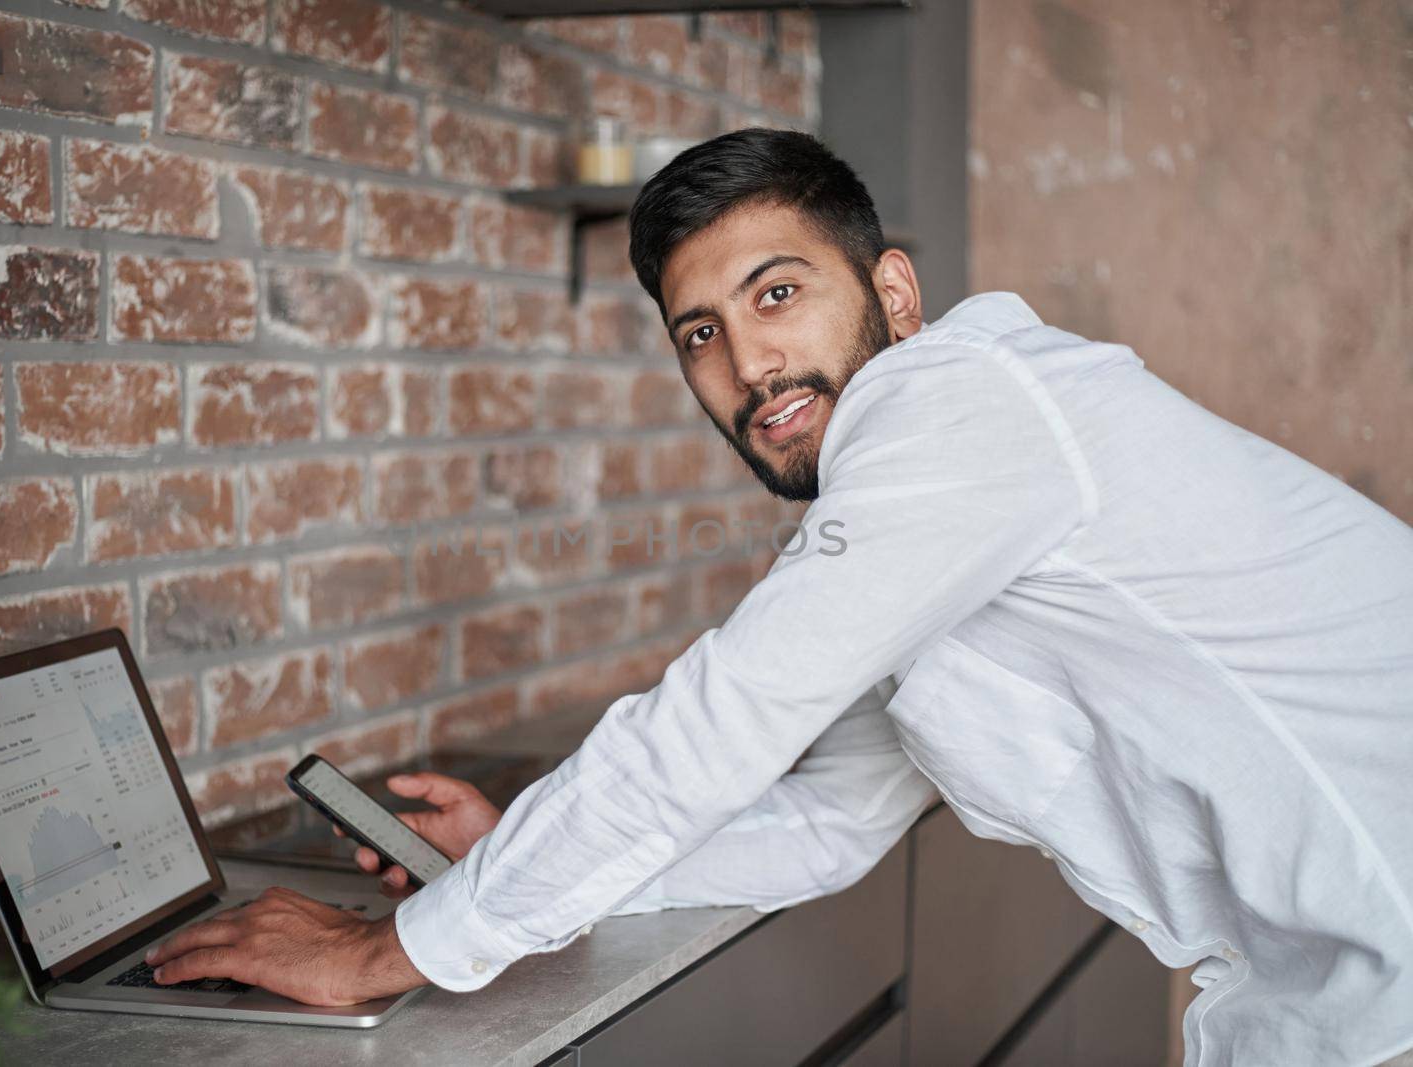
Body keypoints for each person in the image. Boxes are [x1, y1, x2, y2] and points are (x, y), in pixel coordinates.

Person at [146, 128, 1413, 1066]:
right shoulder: (917, 521)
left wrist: (382, 954)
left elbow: (723, 718)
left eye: (777, 292)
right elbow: (825, 818)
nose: (747, 359)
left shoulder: (958, 407)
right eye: (698, 331)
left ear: (895, 295)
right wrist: (518, 854)